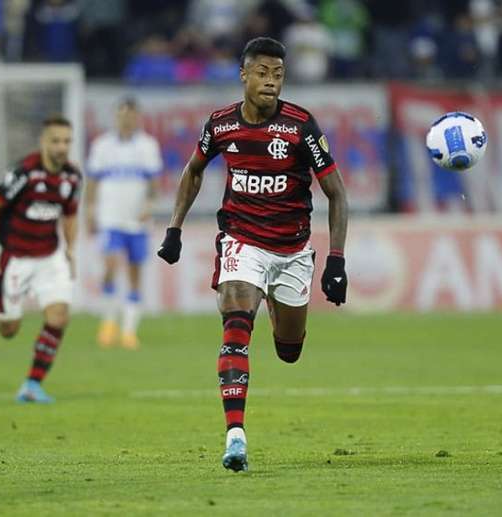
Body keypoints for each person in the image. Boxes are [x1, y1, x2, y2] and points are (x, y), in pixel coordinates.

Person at [157, 37, 349, 472]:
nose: (270, 82)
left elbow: (337, 193)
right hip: (242, 240)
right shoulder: (220, 124)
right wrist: (174, 228)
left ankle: (281, 326)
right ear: (244, 75)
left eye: (278, 75)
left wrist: (335, 260)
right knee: (236, 319)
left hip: (293, 251)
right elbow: (193, 172)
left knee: (289, 349)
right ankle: (235, 436)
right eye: (262, 73)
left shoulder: (301, 126)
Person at [0, 116, 81, 403]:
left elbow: (70, 215)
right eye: (56, 141)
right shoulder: (25, 173)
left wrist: (71, 249)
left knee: (59, 317)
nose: (62, 147)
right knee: (8, 329)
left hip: (50, 256)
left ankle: (32, 385)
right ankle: (3, 311)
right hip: (16, 259)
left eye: (66, 141)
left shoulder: (72, 177)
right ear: (43, 142)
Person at [84, 98, 162, 349]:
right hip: (110, 217)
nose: (126, 119)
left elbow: (153, 184)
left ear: (137, 117)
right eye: (122, 115)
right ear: (116, 117)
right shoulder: (102, 146)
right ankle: (108, 322)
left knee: (134, 273)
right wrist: (90, 211)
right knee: (109, 265)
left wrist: (149, 207)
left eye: (130, 115)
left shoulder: (148, 146)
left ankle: (128, 330)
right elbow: (93, 181)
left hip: (137, 220)